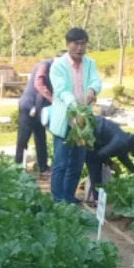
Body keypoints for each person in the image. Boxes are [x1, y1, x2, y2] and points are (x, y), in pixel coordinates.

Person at [48, 28, 101, 203]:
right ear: (68, 44)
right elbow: (61, 90)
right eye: (76, 43)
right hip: (65, 120)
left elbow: (95, 80)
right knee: (60, 162)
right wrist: (76, 106)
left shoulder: (90, 63)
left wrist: (92, 90)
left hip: (83, 123)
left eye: (83, 43)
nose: (80, 47)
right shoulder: (58, 66)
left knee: (77, 164)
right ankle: (58, 200)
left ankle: (69, 197)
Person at [83, 116, 134, 203]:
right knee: (95, 166)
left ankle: (96, 198)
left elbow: (122, 155)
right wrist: (111, 163)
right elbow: (101, 154)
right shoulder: (121, 142)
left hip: (95, 135)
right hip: (89, 134)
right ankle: (97, 200)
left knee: (96, 165)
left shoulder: (126, 140)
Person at [14, 57, 54, 176]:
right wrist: (52, 99)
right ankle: (18, 166)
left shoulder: (56, 69)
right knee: (23, 137)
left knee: (41, 138)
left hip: (39, 108)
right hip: (28, 106)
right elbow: (38, 83)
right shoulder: (44, 65)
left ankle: (43, 168)